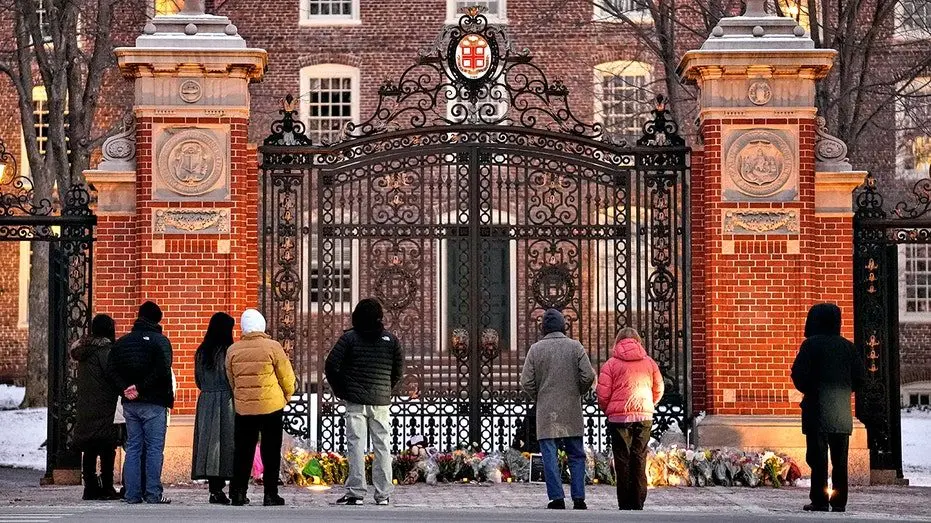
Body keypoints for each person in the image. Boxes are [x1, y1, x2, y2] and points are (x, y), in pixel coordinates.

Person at [325, 298, 404, 506]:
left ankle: (356, 492)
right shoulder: (391, 340)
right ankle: (383, 493)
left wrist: (341, 389)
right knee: (382, 446)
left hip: (355, 401)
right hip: (381, 401)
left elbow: (331, 365)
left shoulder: (349, 339)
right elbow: (398, 370)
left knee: (356, 445)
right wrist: (386, 388)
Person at [791, 303, 867, 513]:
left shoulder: (810, 345)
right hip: (841, 412)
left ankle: (820, 500)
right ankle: (839, 501)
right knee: (840, 461)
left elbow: (798, 374)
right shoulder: (848, 347)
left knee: (818, 459)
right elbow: (860, 378)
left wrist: (811, 389)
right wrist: (844, 390)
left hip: (817, 411)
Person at [519, 309, 595, 510]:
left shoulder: (536, 349)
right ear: (563, 326)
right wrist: (578, 391)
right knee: (576, 454)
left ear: (543, 328)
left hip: (547, 410)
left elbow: (526, 381)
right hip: (571, 407)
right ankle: (579, 497)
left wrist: (539, 396)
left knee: (549, 455)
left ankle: (556, 498)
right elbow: (588, 375)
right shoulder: (575, 347)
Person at [226, 308, 296, 507]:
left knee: (243, 451)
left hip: (244, 408)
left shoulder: (233, 350)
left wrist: (242, 395)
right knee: (271, 451)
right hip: (271, 406)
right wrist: (287, 395)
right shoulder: (273, 347)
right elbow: (286, 375)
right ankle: (270, 494)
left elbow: (231, 379)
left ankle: (238, 493)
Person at [107, 301, 174, 504]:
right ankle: (153, 493)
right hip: (154, 401)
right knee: (154, 448)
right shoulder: (160, 342)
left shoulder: (122, 343)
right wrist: (140, 388)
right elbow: (163, 369)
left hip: (130, 403)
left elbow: (111, 370)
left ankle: (132, 493)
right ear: (157, 319)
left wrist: (125, 389)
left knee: (133, 447)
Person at [596, 327, 664, 511]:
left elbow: (602, 393)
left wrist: (608, 409)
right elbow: (659, 388)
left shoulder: (611, 364)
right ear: (638, 341)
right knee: (639, 456)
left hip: (619, 418)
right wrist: (649, 404)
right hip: (644, 416)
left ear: (617, 342)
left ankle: (625, 502)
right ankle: (638, 500)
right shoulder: (649, 363)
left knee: (622, 459)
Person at [71, 314, 121, 501]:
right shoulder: (105, 351)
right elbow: (112, 374)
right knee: (107, 447)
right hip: (104, 404)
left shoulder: (85, 351)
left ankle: (90, 486)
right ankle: (106, 486)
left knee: (90, 448)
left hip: (86, 404)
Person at [192, 312, 237, 505]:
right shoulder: (229, 351)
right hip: (226, 399)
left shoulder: (202, 351)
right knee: (226, 443)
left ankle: (214, 488)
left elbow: (198, 379)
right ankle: (229, 487)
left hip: (206, 400)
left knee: (209, 444)